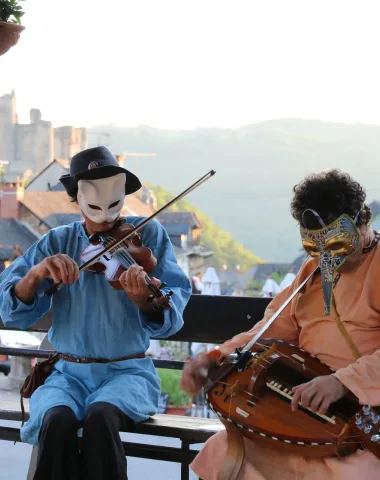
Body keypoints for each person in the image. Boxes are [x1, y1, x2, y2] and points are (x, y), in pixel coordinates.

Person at [0, 146, 192, 480]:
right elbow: (11, 310)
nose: (105, 218)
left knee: (100, 416)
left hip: (128, 374)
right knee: (56, 420)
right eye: (93, 206)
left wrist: (145, 300)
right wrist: (35, 275)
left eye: (113, 205)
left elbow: (172, 306)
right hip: (66, 375)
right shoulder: (58, 241)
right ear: (75, 199)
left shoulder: (147, 235)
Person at [181, 169, 380, 480]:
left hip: (363, 418)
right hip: (303, 407)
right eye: (317, 249)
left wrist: (342, 382)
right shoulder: (311, 272)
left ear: (364, 219)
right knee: (224, 449)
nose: (328, 259)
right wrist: (216, 357)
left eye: (337, 245)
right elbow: (270, 330)